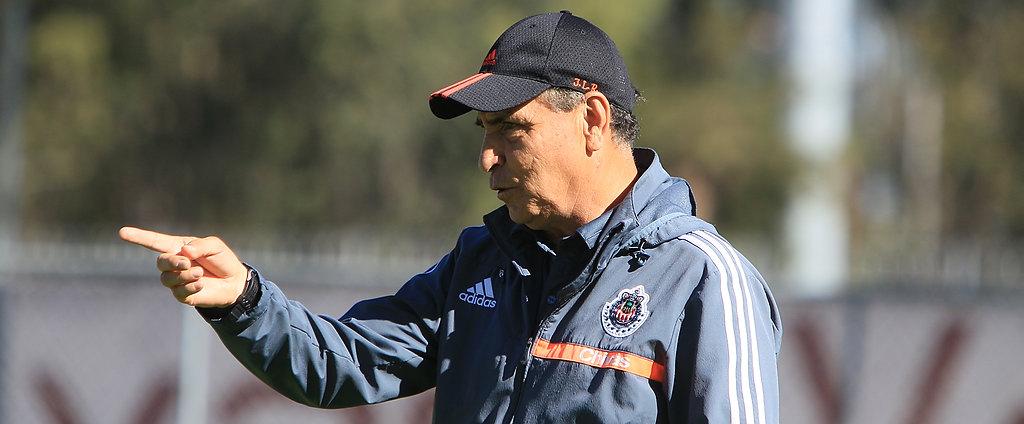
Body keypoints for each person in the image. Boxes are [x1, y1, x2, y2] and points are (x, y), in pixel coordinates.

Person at [120, 11, 782, 423]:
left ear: (591, 119)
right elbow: (339, 362)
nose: (487, 157)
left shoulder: (703, 280)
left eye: (510, 129)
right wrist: (243, 300)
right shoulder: (481, 262)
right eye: (482, 131)